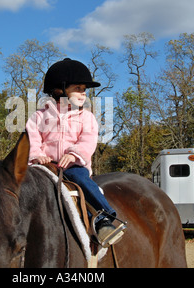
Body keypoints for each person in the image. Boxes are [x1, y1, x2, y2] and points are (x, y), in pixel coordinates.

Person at [25, 58, 125, 247]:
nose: (83, 93)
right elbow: (32, 140)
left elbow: (87, 140)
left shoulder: (86, 116)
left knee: (80, 179)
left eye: (84, 89)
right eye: (78, 88)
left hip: (73, 165)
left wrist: (73, 153)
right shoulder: (39, 116)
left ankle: (103, 218)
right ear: (59, 90)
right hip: (44, 166)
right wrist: (37, 155)